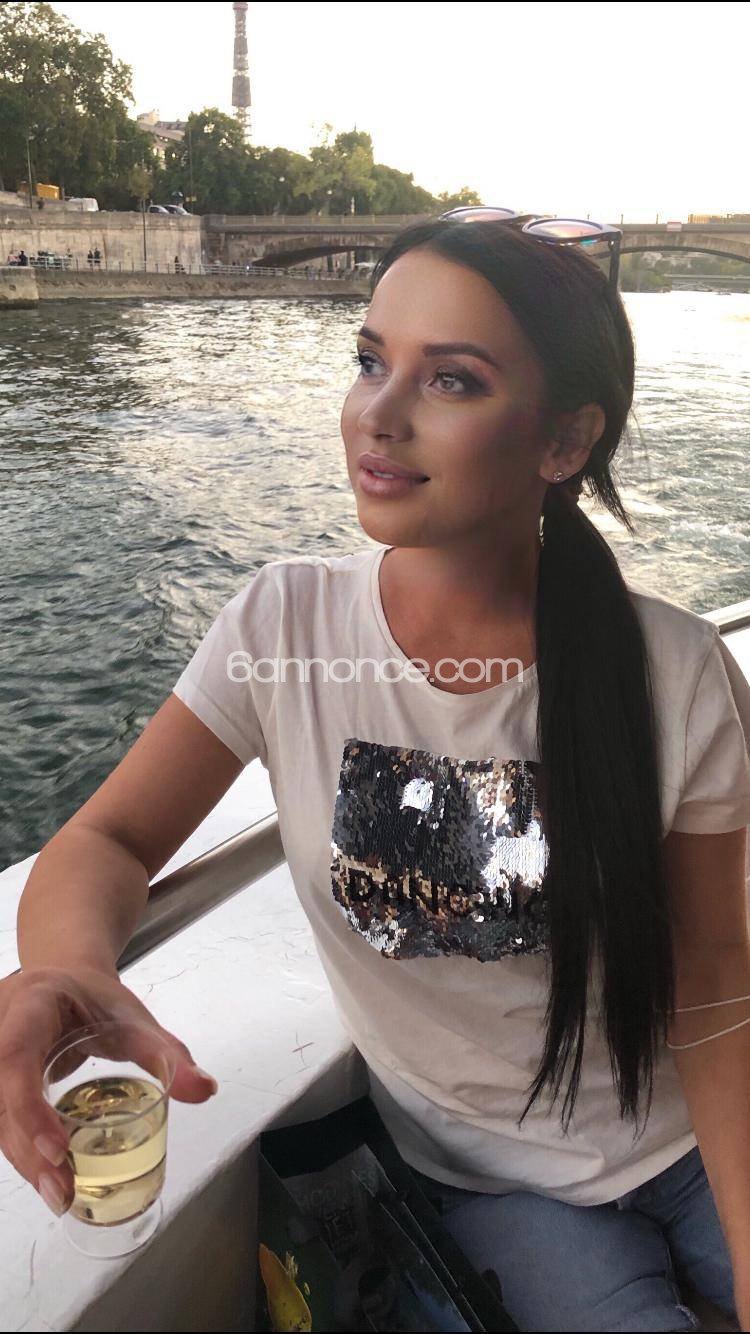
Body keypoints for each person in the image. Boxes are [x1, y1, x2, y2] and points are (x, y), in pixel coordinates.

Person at [4, 218, 750, 1331]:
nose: (377, 413)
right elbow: (108, 841)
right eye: (369, 360)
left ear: (563, 440)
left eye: (451, 378)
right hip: (490, 1180)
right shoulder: (285, 625)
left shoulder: (674, 673)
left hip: (695, 1137)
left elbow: (714, 978)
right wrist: (64, 971)